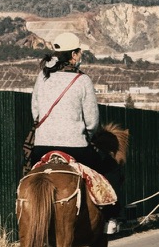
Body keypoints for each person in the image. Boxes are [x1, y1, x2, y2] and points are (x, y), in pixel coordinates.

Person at [28, 31, 123, 234]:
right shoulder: (82, 80)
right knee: (110, 168)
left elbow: (35, 112)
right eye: (79, 52)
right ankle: (110, 217)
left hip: (42, 146)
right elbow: (92, 121)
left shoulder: (42, 76)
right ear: (74, 55)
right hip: (75, 147)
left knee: (29, 173)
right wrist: (86, 133)